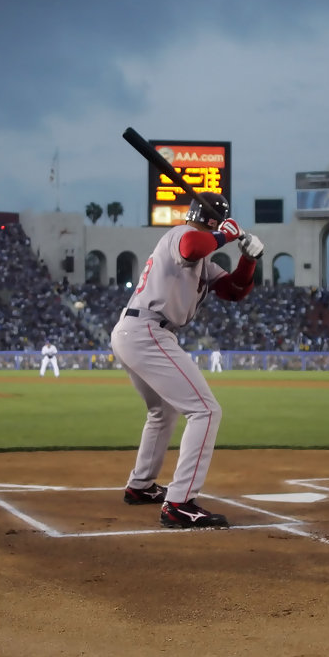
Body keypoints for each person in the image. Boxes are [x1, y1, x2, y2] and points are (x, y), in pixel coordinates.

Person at [111, 192, 264, 529]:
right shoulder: (181, 236)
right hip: (147, 329)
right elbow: (191, 247)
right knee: (206, 411)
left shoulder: (204, 260)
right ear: (214, 221)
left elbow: (235, 290)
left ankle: (141, 486)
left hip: (137, 331)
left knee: (161, 411)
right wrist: (226, 234)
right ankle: (179, 503)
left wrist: (249, 260)